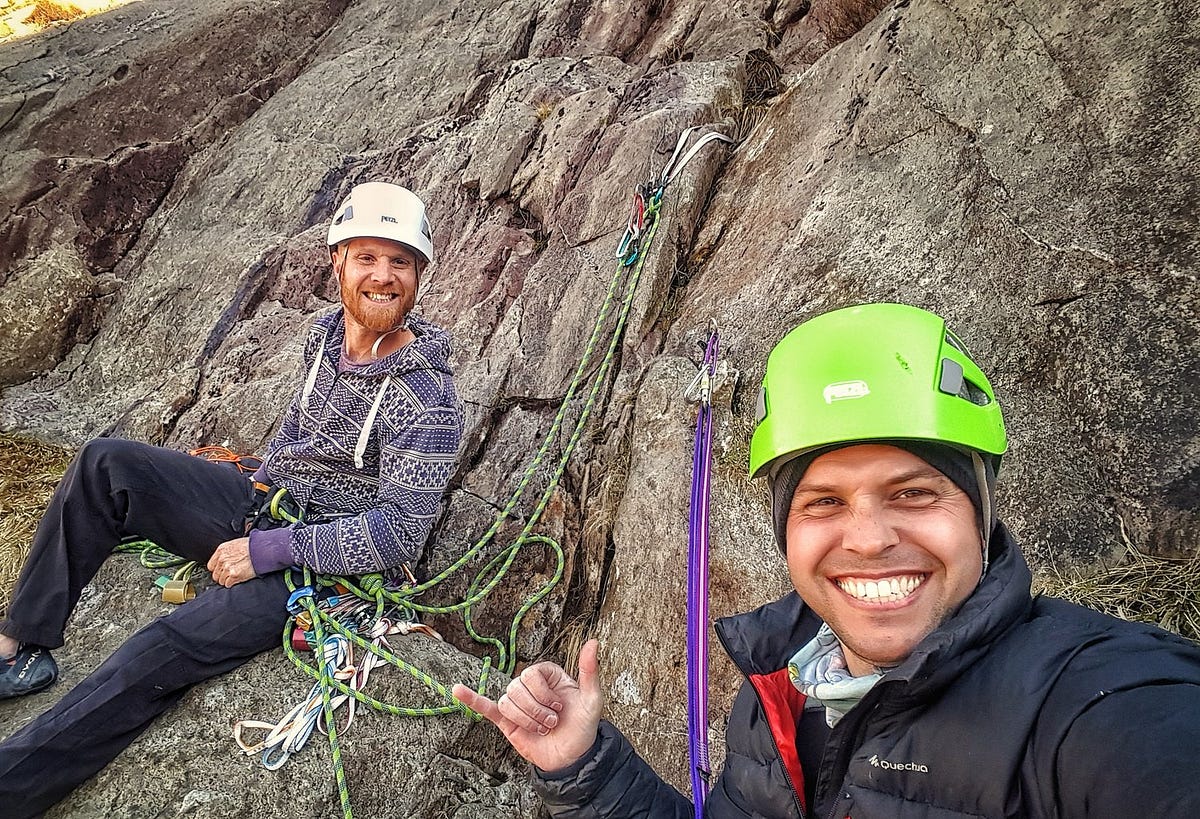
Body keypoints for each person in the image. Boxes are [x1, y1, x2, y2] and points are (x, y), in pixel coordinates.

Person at [455, 302, 1200, 818]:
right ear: (786, 530)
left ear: (980, 510)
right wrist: (583, 765)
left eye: (912, 492)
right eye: (824, 502)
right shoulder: (781, 691)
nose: (869, 537)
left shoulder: (1096, 704)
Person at [0, 181, 462, 817]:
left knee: (159, 649)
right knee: (107, 464)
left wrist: (266, 551)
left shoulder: (428, 397)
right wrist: (247, 489)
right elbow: (301, 433)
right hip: (267, 503)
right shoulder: (325, 338)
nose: (383, 277)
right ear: (338, 262)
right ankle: (19, 643)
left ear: (418, 274)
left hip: (327, 574)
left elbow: (400, 533)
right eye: (367, 258)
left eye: (400, 261)